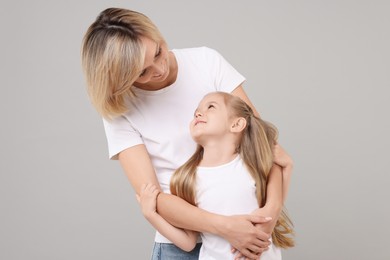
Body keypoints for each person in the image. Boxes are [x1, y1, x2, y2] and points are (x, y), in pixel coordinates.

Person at [81, 7, 293, 260]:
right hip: (181, 244)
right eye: (141, 72)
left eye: (158, 52)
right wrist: (225, 227)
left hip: (250, 234)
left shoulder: (205, 61)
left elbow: (264, 147)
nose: (159, 70)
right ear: (118, 78)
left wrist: (269, 213)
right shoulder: (120, 108)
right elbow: (153, 196)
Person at [137, 92, 294, 260]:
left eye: (210, 107)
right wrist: (151, 215)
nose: (198, 113)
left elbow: (274, 210)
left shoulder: (257, 164)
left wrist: (288, 167)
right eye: (196, 112)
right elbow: (188, 242)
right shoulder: (186, 178)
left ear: (236, 124)